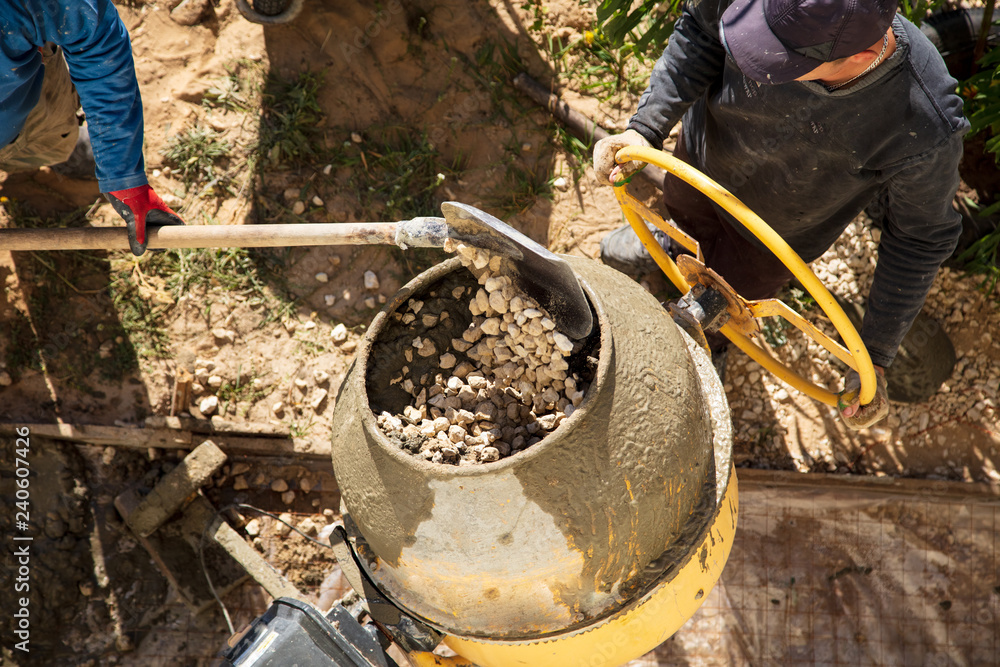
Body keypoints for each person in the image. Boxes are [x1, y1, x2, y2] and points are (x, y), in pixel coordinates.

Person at [593, 0, 968, 429]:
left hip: (771, 240)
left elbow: (918, 237)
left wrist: (876, 355)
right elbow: (700, 30)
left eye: (777, 58)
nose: (753, 55)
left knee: (733, 291)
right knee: (680, 216)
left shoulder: (922, 122)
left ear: (862, 56)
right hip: (698, 165)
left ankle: (712, 330)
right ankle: (666, 245)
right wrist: (644, 128)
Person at [0, 0, 182, 256]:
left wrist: (122, 175)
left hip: (26, 99)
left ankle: (63, 147)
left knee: (54, 141)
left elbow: (96, 46)